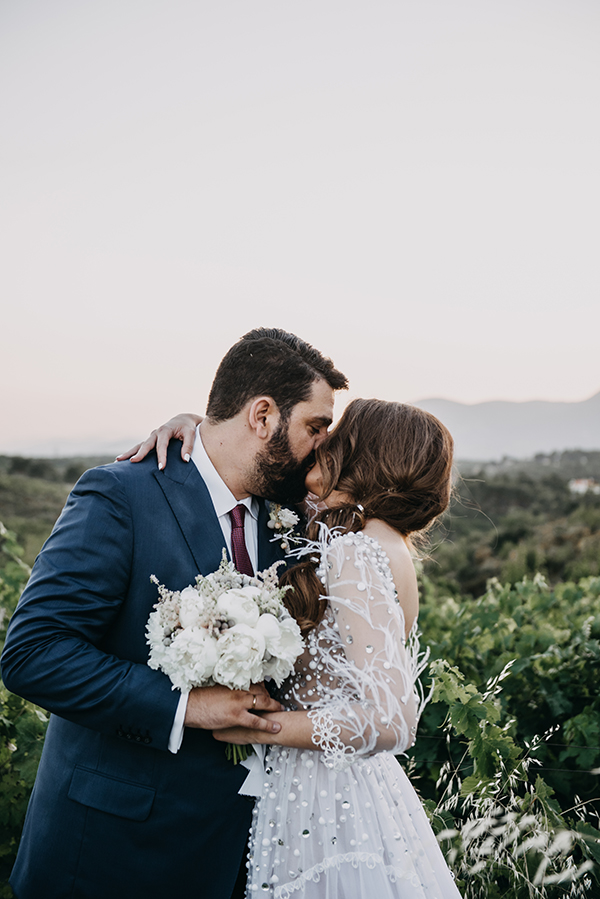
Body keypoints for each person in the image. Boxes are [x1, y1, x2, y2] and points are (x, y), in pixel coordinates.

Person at [0, 328, 348, 899]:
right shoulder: (122, 495)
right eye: (315, 427)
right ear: (262, 415)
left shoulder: (290, 520)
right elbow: (34, 654)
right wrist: (187, 705)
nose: (323, 447)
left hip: (236, 856)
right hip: (110, 854)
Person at [127, 398, 461, 897]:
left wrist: (259, 725)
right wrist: (200, 425)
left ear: (364, 453)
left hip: (324, 799)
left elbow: (391, 718)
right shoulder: (384, 543)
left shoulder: (354, 552)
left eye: (338, 434)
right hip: (352, 786)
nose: (323, 443)